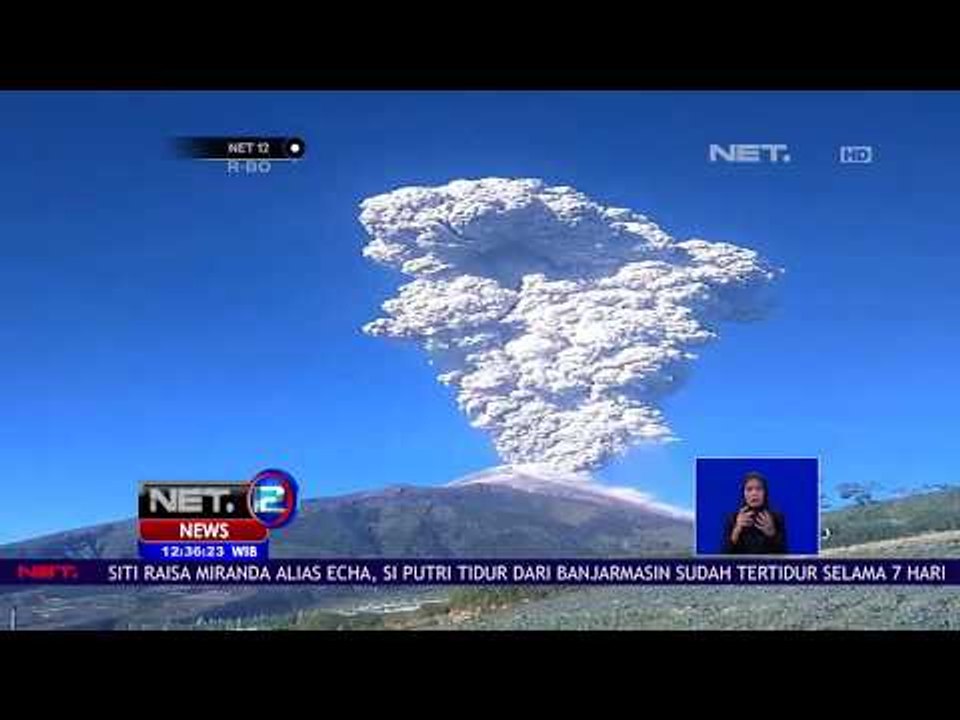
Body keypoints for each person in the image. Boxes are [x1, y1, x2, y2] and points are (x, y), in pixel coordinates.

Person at [722, 471, 787, 554]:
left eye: (759, 489)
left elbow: (784, 556)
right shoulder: (733, 518)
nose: (754, 493)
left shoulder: (776, 518)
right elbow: (723, 557)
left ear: (765, 493)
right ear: (743, 494)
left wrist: (772, 534)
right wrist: (737, 530)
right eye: (749, 489)